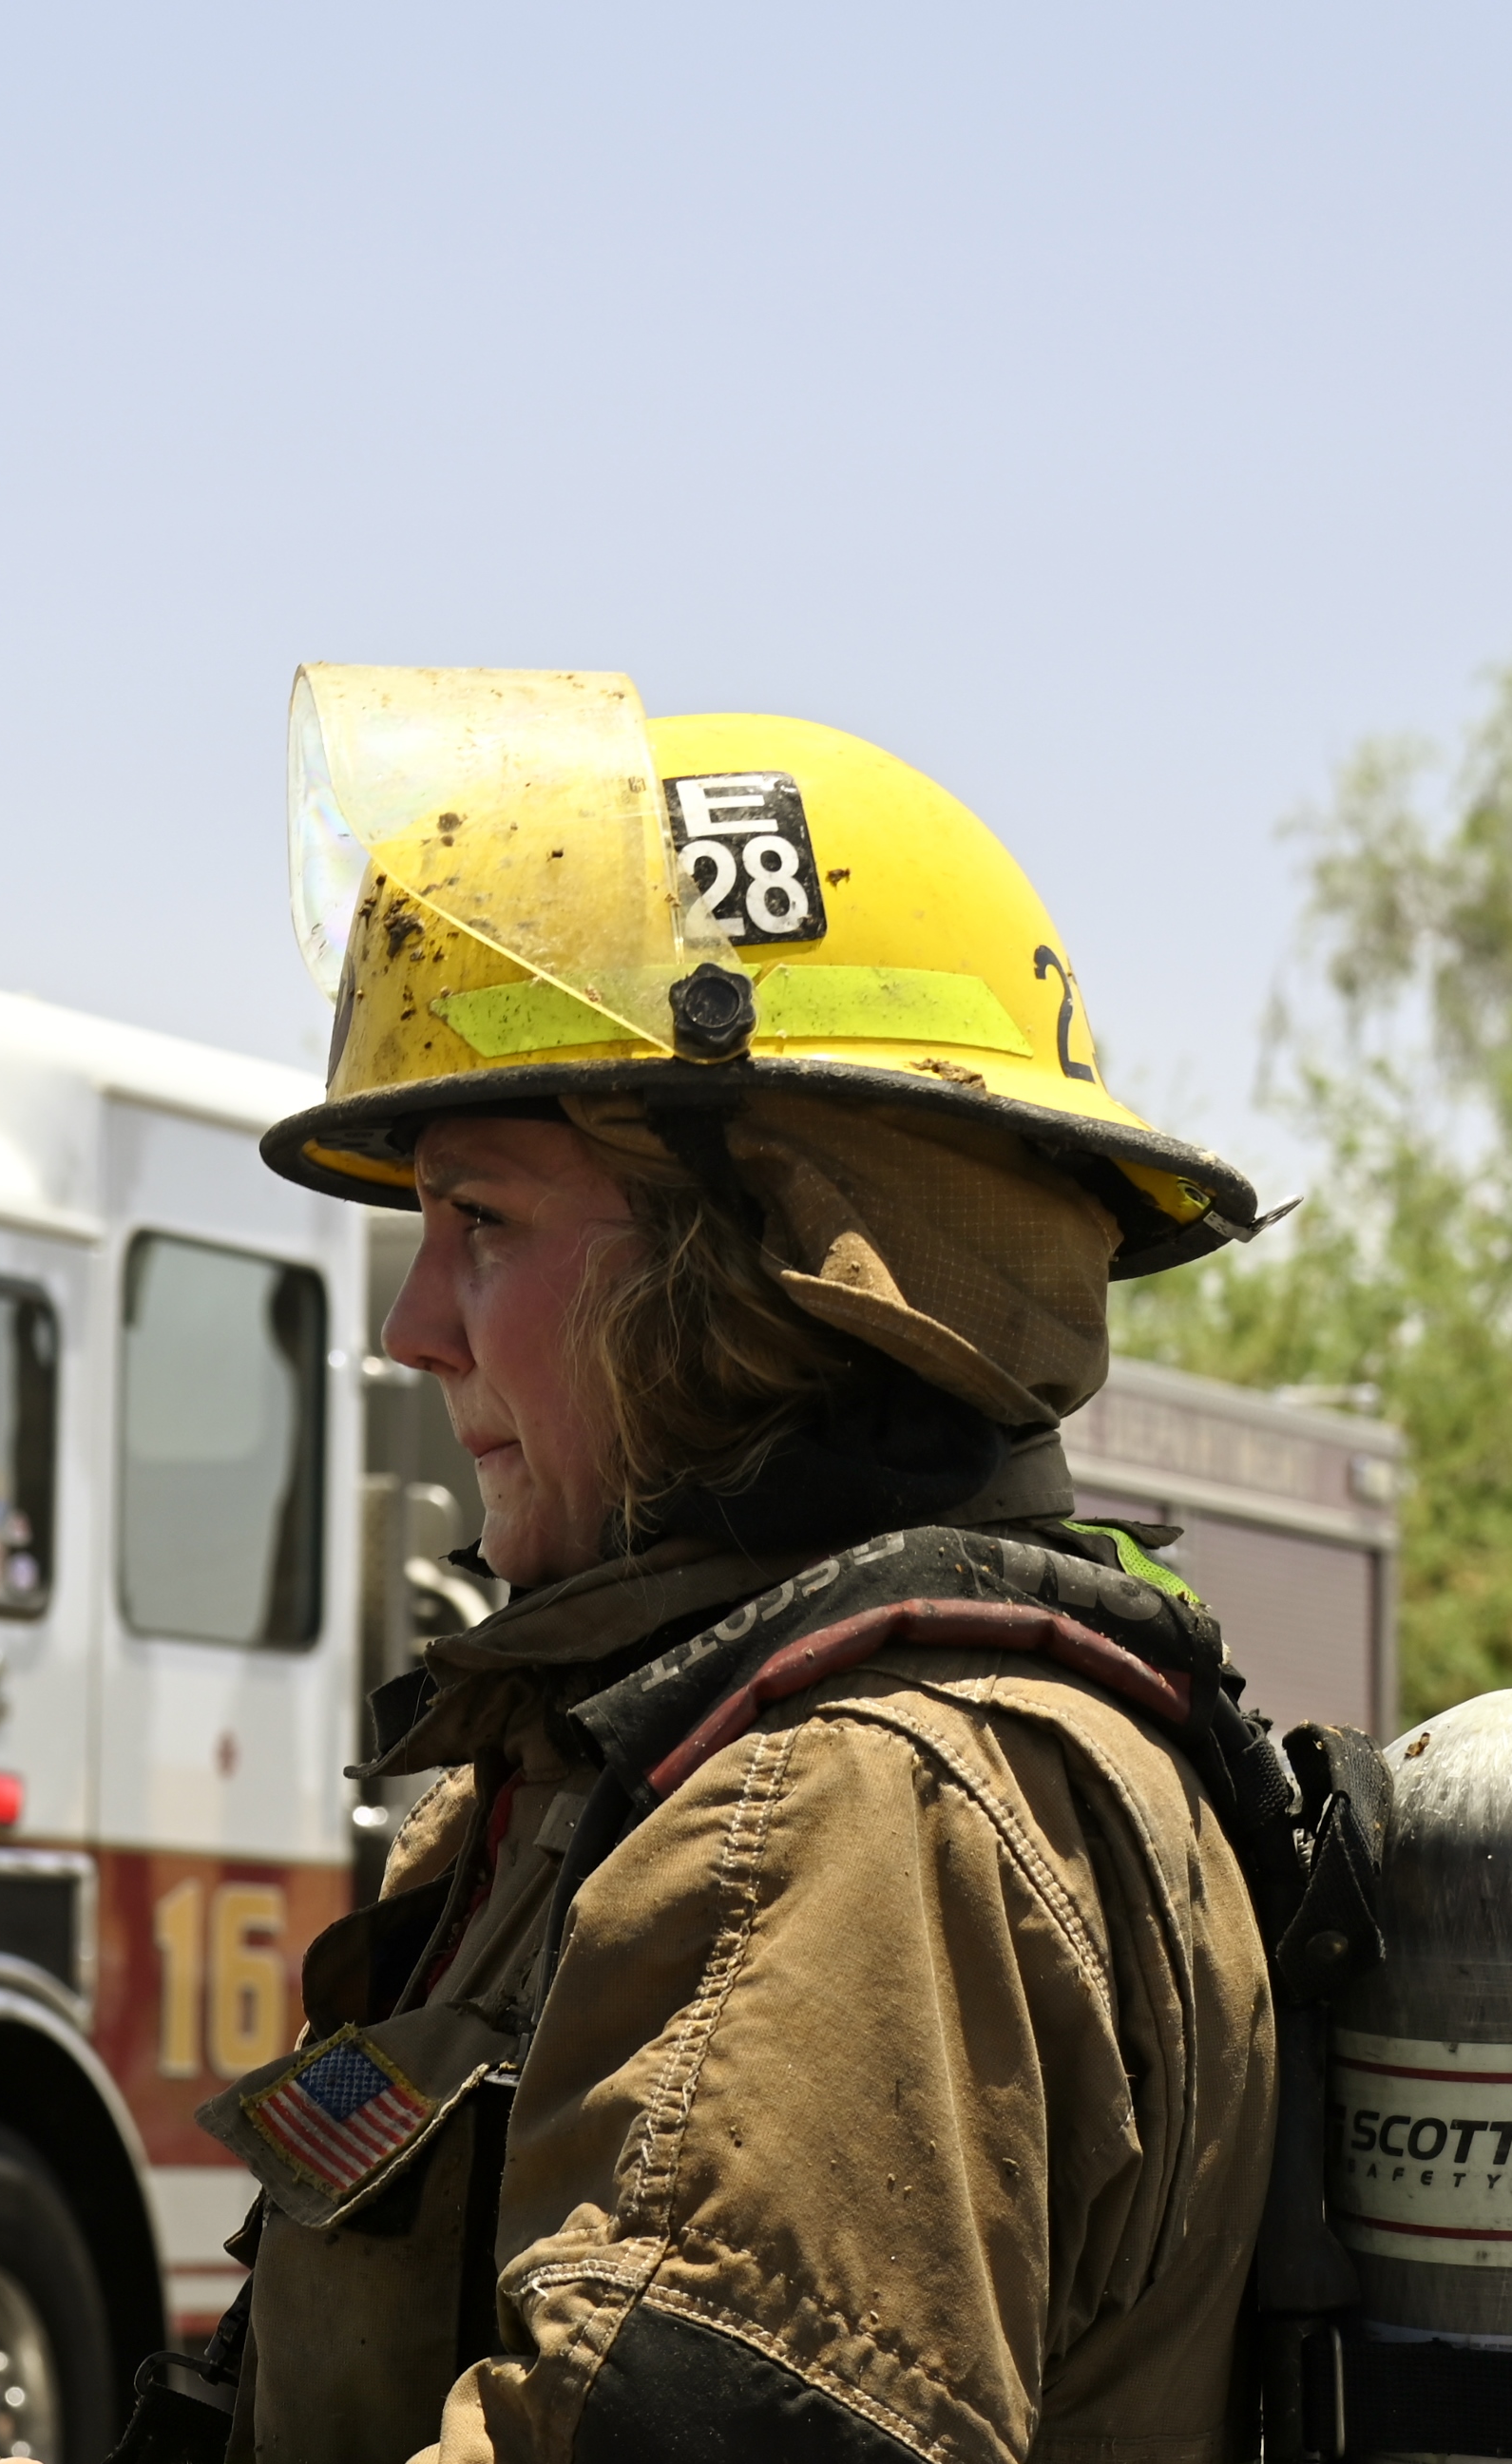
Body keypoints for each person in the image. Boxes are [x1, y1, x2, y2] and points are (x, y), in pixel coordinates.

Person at [198, 669, 1303, 2464]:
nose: (412, 1327)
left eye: (482, 1219)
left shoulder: (847, 1810)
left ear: (752, 1272)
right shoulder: (624, 1770)